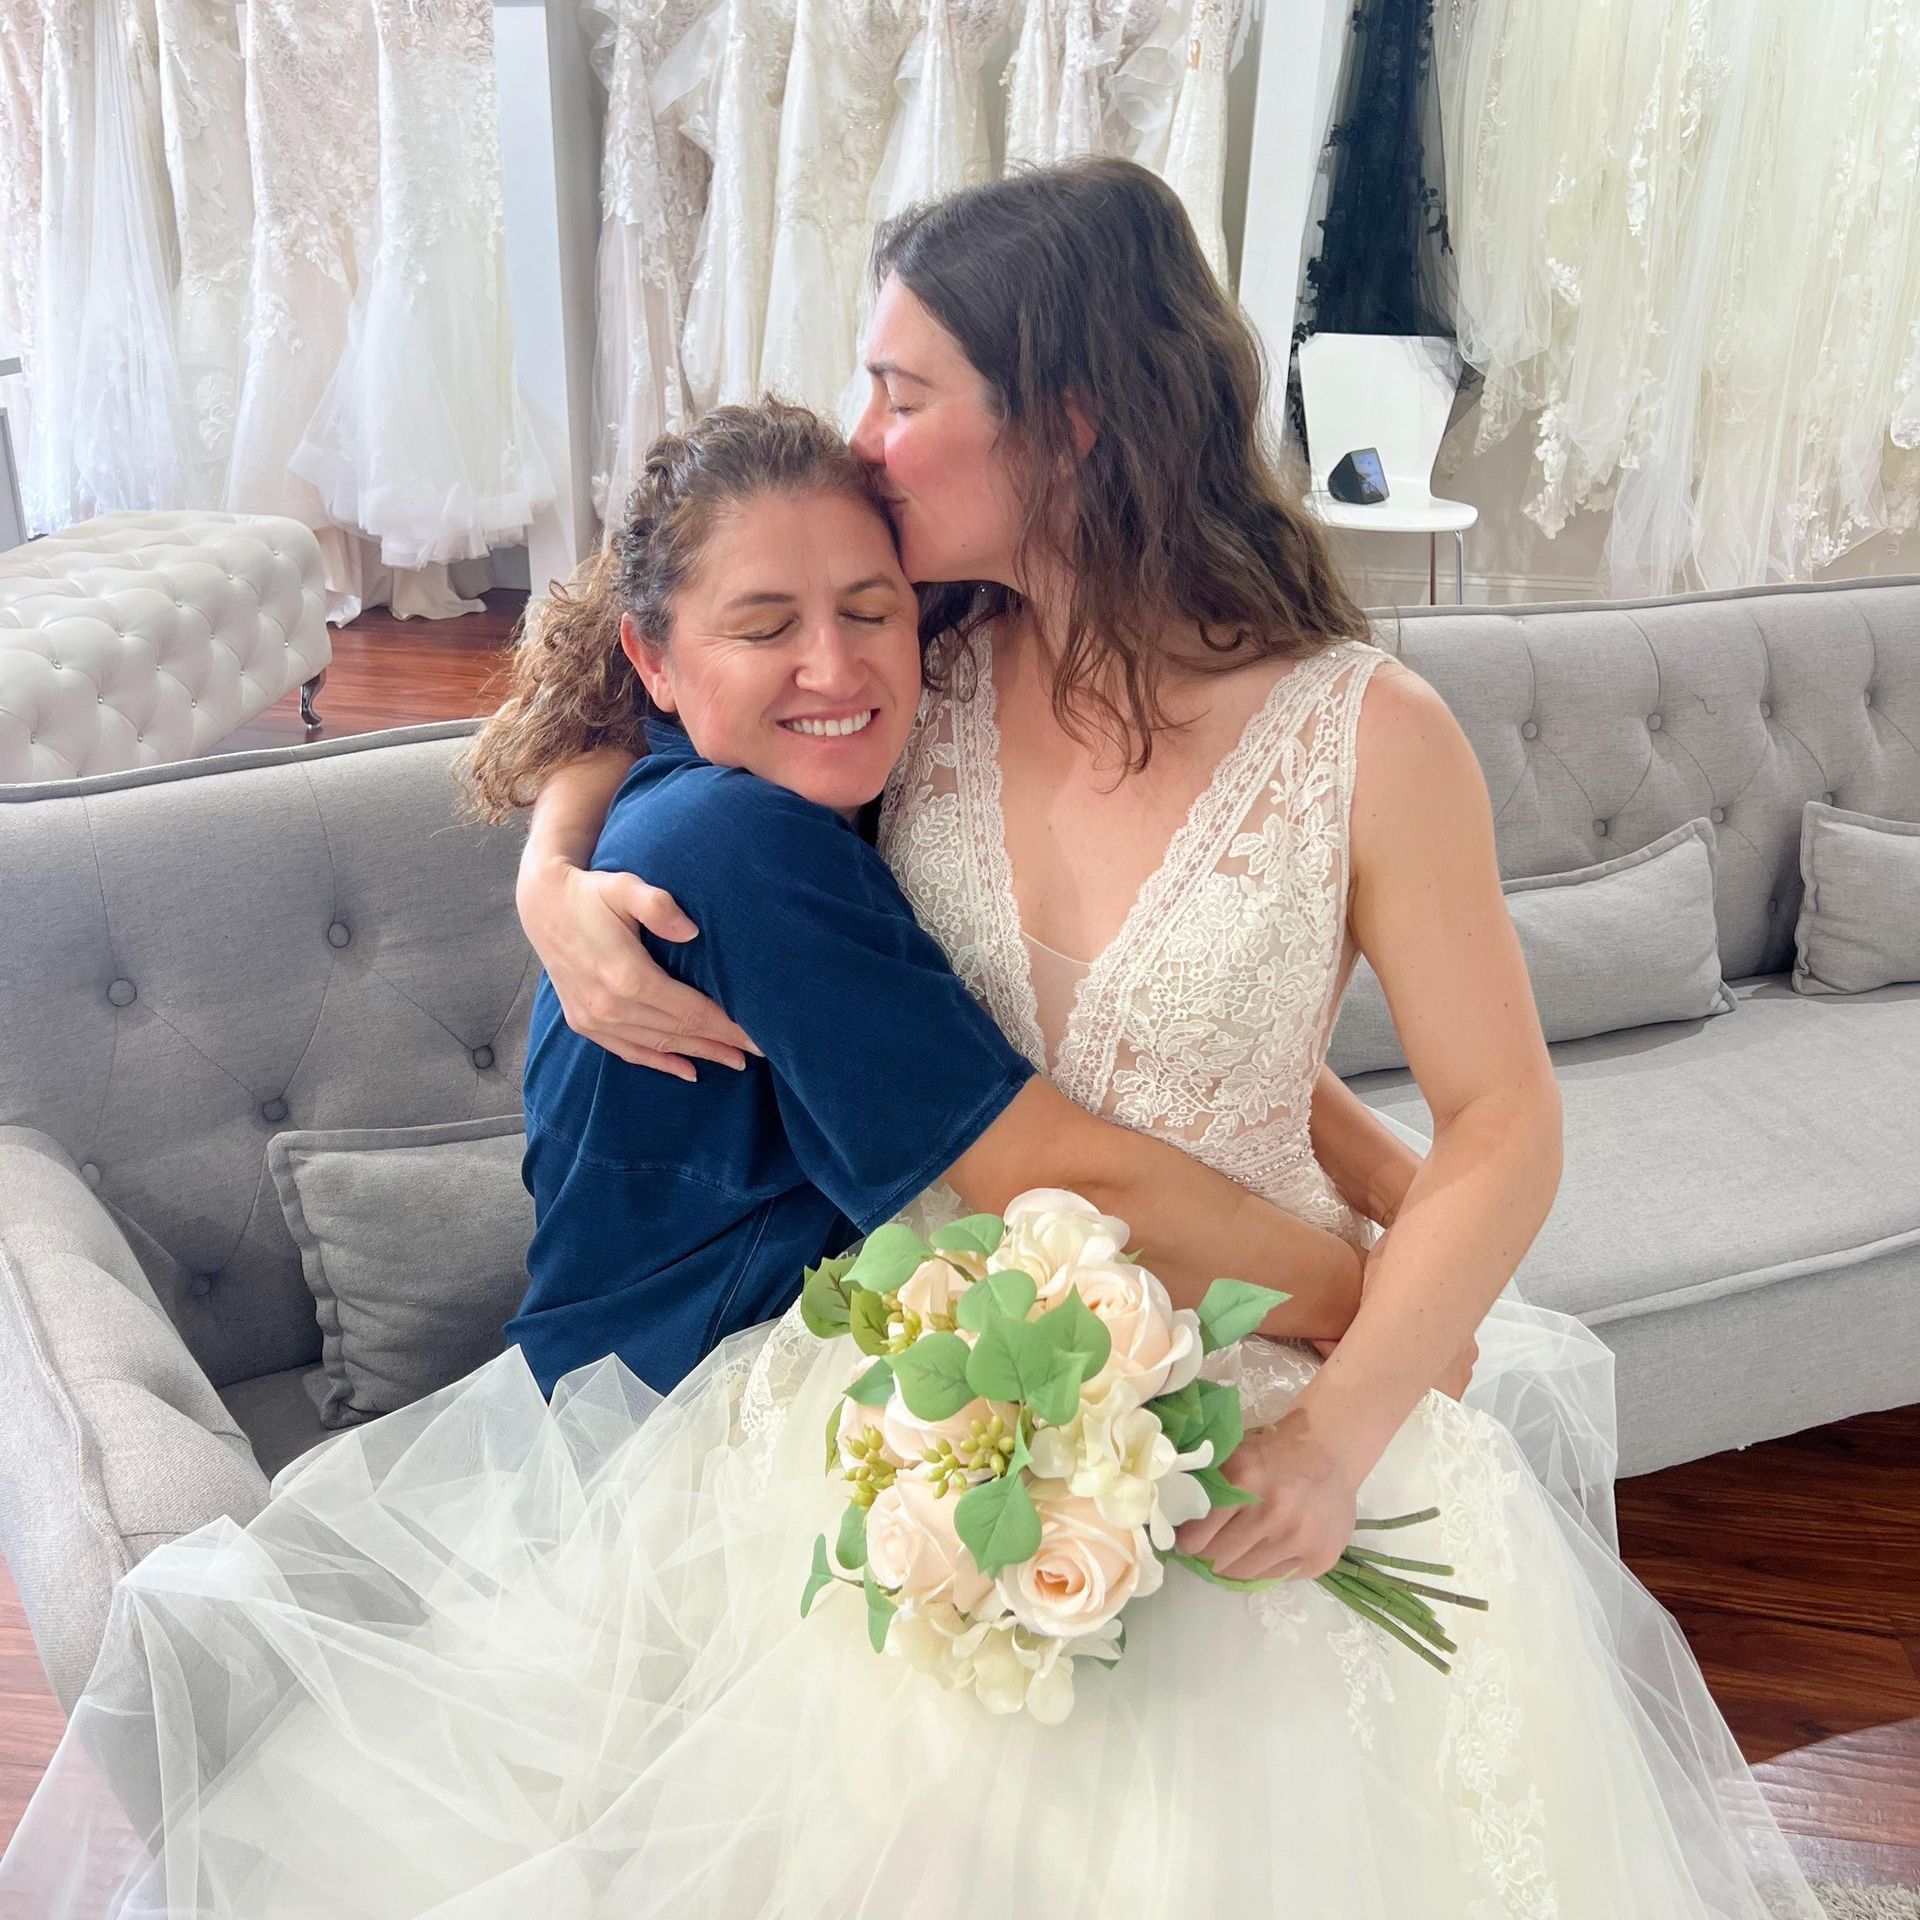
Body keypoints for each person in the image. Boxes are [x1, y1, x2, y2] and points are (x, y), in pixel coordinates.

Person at [505, 160, 1823, 1914]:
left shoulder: (1370, 734)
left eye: (902, 394)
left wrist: (1339, 1431)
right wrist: (552, 868)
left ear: (1066, 423)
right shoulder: (914, 665)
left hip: (1276, 1375)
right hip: (946, 1387)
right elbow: (654, 666)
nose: (865, 440)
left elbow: (1504, 1118)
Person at [498, 400, 1420, 1404]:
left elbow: (1126, 1024)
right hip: (682, 1390)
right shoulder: (736, 841)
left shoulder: (873, 757)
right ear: (651, 660)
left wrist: (1408, 1196)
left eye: (870, 612)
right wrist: (1382, 1303)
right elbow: (1060, 1182)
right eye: (764, 627)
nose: (833, 667)